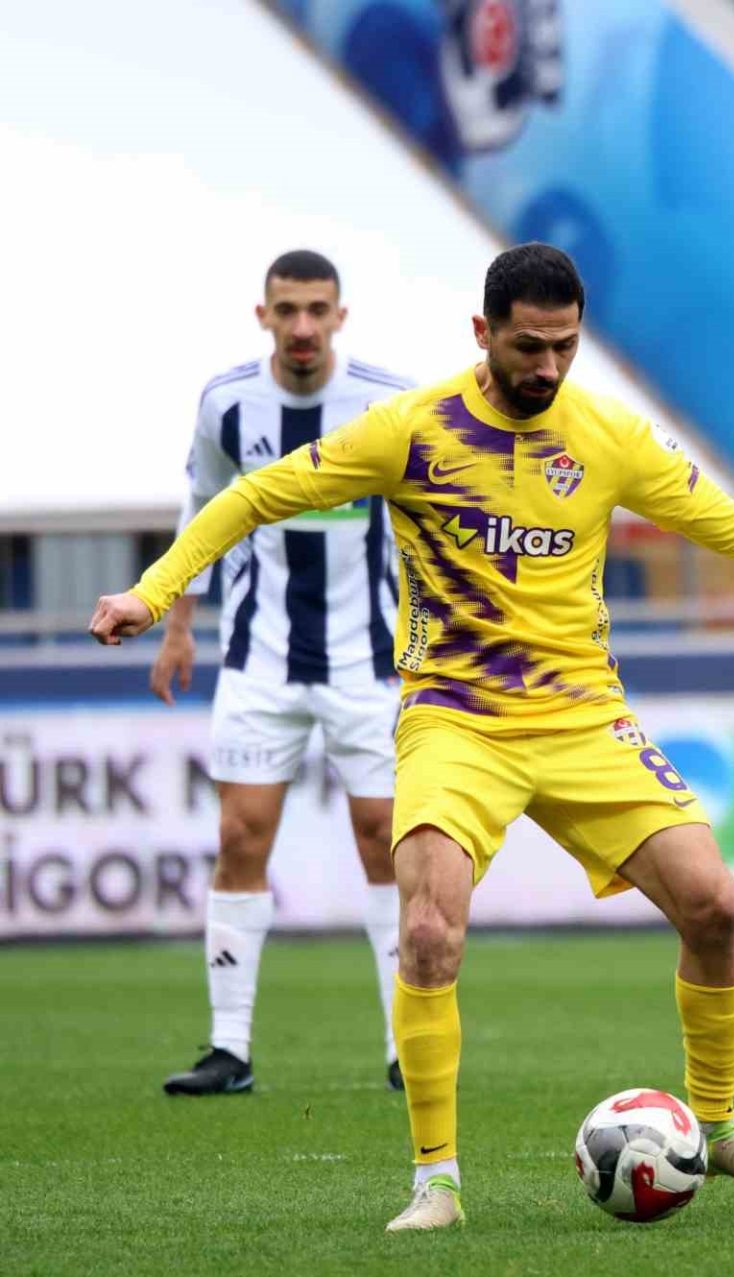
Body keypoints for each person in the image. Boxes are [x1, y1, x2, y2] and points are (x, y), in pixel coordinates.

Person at [91, 243, 734, 1232]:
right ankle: (437, 1182)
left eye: (565, 346)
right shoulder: (411, 430)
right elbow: (253, 494)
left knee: (715, 902)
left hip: (583, 718)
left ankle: (717, 1124)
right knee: (429, 929)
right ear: (482, 333)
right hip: (455, 720)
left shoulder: (607, 434)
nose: (548, 366)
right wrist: (153, 593)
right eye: (529, 346)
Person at [154, 250, 411, 1097]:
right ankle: (229, 1049)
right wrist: (179, 626)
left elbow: (434, 509)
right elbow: (202, 507)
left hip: (369, 660)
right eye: (288, 309)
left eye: (317, 309)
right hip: (259, 656)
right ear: (262, 315)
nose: (303, 326)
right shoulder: (227, 403)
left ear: (341, 316)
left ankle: (406, 1044)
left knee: (386, 838)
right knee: (240, 836)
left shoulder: (388, 401)